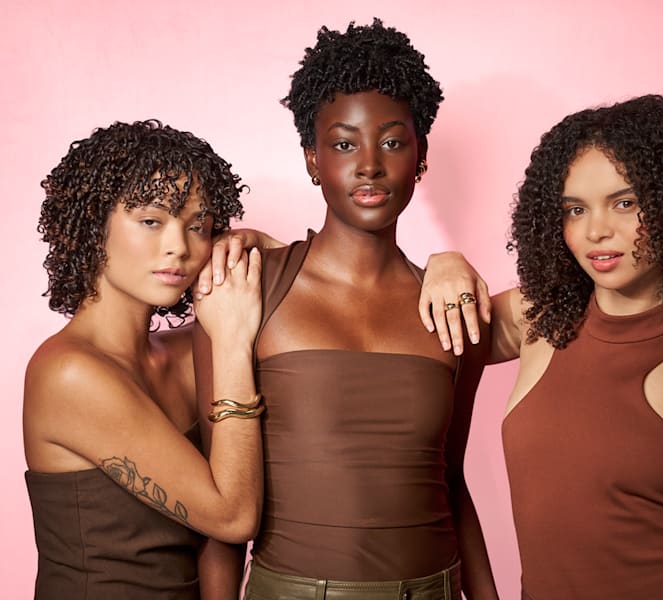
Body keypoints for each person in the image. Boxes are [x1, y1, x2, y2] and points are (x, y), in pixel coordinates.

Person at [427, 95, 663, 599]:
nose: (597, 230)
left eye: (625, 203)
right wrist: (444, 261)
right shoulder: (538, 320)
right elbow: (410, 332)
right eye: (575, 210)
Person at [194, 19, 498, 600]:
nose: (369, 165)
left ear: (421, 155)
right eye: (342, 144)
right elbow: (221, 513)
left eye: (391, 141)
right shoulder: (249, 291)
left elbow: (450, 483)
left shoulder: (451, 306)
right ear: (312, 159)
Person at [24, 120, 265, 599]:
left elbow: (318, 278)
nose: (179, 245)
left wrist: (441, 268)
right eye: (152, 220)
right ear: (95, 224)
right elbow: (234, 516)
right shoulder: (68, 373)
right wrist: (233, 344)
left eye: (198, 225)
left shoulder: (182, 351)